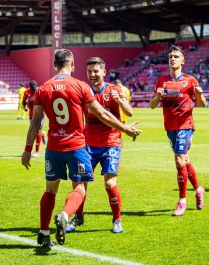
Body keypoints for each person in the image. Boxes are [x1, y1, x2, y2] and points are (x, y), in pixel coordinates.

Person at [21, 49, 141, 250]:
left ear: (54, 65)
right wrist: (125, 129)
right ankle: (66, 215)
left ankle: (43, 234)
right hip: (77, 146)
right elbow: (102, 114)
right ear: (72, 64)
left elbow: (35, 122)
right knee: (80, 187)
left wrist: (27, 149)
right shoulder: (80, 86)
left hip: (53, 147)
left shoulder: (43, 88)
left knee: (50, 189)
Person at [66, 57, 133, 234]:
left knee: (110, 184)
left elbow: (129, 112)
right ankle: (78, 217)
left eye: (96, 71)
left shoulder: (114, 89)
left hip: (111, 143)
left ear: (104, 72)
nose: (93, 75)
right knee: (79, 182)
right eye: (89, 71)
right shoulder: (84, 91)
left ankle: (117, 220)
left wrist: (119, 100)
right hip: (88, 144)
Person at [150, 45, 206, 216]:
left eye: (176, 56)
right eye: (170, 57)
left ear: (182, 60)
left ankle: (182, 201)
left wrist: (198, 95)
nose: (172, 59)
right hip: (170, 127)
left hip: (185, 125)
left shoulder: (190, 80)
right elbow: (152, 105)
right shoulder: (162, 81)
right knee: (185, 160)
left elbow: (203, 103)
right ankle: (198, 189)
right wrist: (158, 96)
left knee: (179, 160)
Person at [22, 80, 46, 157]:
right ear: (30, 88)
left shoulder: (40, 91)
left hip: (40, 114)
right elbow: (23, 101)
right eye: (32, 89)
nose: (33, 90)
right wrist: (24, 107)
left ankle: (36, 151)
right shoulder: (26, 92)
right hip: (31, 115)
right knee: (34, 131)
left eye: (34, 88)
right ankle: (42, 134)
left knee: (37, 131)